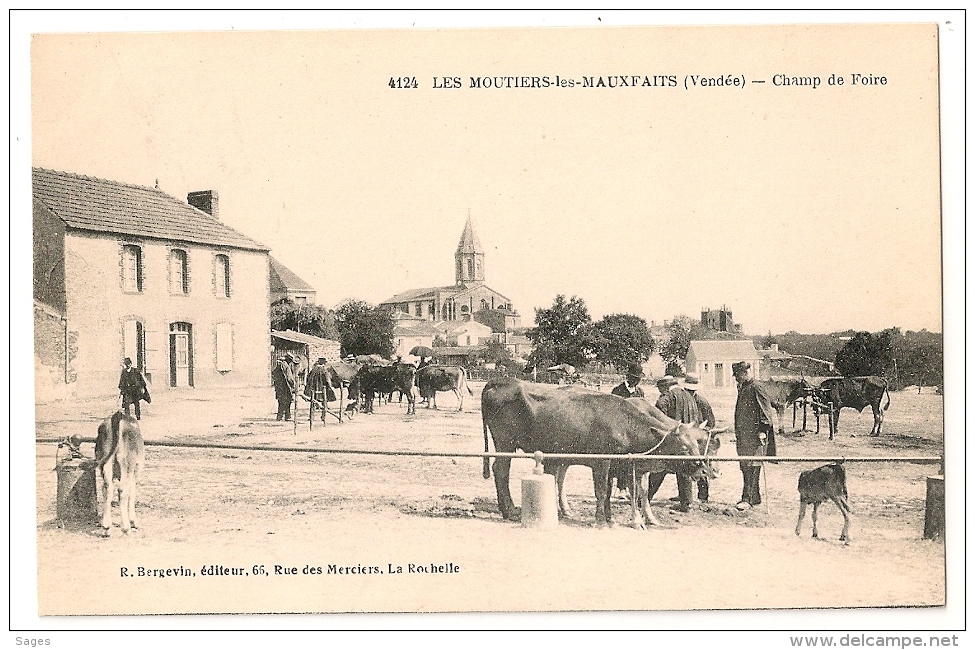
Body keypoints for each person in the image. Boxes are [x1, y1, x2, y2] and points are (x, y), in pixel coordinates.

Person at [651, 375, 701, 512]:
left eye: (660, 389)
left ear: (665, 387)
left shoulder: (668, 396)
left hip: (674, 438)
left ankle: (645, 498)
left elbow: (659, 409)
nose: (660, 392)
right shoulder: (688, 395)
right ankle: (687, 502)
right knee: (684, 469)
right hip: (688, 438)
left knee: (659, 468)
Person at [732, 361, 777, 510]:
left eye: (738, 375)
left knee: (752, 466)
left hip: (755, 437)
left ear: (745, 373)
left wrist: (763, 430)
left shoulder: (756, 387)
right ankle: (755, 497)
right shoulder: (744, 387)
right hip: (744, 436)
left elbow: (765, 411)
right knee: (745, 466)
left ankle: (748, 499)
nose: (736, 379)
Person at [682, 373, 715, 503]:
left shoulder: (701, 401)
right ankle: (684, 495)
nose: (689, 392)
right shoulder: (682, 400)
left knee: (701, 465)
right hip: (687, 438)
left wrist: (703, 430)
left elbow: (711, 422)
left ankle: (703, 496)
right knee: (685, 466)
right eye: (688, 390)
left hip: (699, 439)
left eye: (692, 390)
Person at [271, 353, 297, 421]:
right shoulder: (286, 366)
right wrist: (294, 384)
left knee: (281, 402)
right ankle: (287, 416)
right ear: (289, 360)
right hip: (285, 388)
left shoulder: (279, 365)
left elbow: (273, 373)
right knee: (288, 401)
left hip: (279, 387)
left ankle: (279, 417)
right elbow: (289, 378)